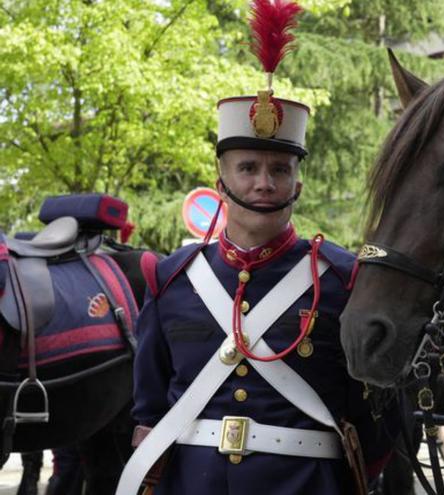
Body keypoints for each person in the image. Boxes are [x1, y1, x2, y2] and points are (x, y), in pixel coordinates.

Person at [115, 1, 394, 493]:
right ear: (219, 180)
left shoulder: (343, 278)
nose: (264, 183)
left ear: (298, 185)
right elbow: (150, 406)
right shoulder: (171, 277)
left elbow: (370, 417)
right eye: (248, 168)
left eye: (280, 170)